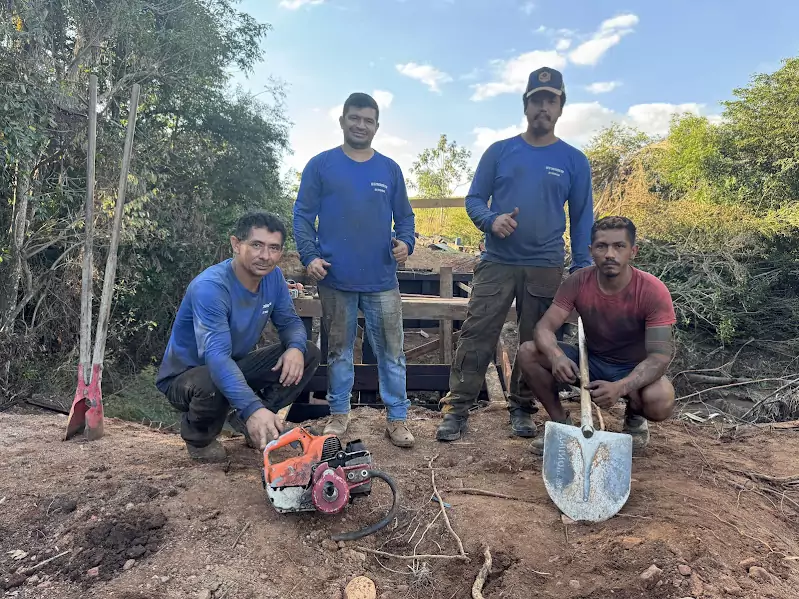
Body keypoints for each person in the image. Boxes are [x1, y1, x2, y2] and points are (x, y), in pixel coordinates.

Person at [436, 67, 594, 442]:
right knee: (476, 333)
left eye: (550, 100)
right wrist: (491, 221)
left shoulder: (574, 160)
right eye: (536, 99)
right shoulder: (500, 151)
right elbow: (473, 199)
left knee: (536, 341)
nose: (543, 107)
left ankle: (522, 408)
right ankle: (456, 408)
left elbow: (583, 217)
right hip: (497, 262)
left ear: (561, 106)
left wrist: (584, 268)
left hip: (546, 265)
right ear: (526, 105)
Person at [293, 92, 416, 448]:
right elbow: (302, 214)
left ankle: (397, 418)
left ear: (377, 125)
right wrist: (309, 255)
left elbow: (405, 217)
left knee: (393, 351)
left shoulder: (389, 169)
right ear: (343, 120)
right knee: (339, 351)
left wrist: (405, 242)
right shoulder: (321, 165)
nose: (361, 125)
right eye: (355, 118)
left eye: (368, 120)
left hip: (381, 279)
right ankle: (339, 415)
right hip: (335, 278)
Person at [155, 212, 321, 462]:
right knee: (212, 380)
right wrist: (252, 406)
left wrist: (295, 346)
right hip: (188, 377)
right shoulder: (210, 288)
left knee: (308, 352)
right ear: (236, 244)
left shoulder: (272, 277)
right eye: (257, 245)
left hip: (232, 365)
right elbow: (217, 358)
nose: (265, 256)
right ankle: (199, 439)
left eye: (273, 248)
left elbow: (289, 321)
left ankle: (254, 423)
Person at [517, 216, 676, 454]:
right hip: (590, 362)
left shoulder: (653, 291)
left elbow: (659, 357)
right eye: (602, 246)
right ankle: (562, 425)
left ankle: (634, 417)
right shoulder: (578, 282)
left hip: (631, 369)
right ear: (591, 251)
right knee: (528, 352)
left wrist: (621, 387)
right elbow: (543, 328)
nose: (610, 254)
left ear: (633, 251)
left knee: (661, 400)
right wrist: (556, 356)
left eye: (619, 246)